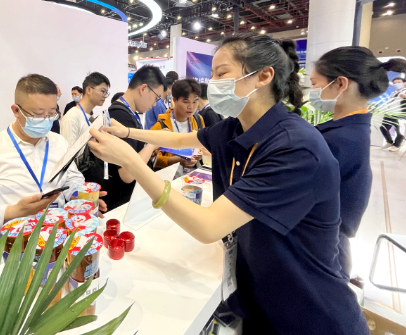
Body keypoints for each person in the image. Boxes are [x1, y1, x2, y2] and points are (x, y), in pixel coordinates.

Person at [88, 35, 369, 335]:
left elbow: (208, 226)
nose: (213, 83)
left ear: (263, 76)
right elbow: (180, 139)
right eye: (212, 75)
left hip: (310, 312)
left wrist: (132, 162)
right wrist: (128, 132)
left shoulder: (295, 148)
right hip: (264, 298)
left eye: (221, 73)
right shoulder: (237, 127)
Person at [0, 74, 104, 260]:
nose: (46, 120)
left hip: (56, 249)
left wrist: (81, 197)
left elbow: (72, 176)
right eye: (38, 114)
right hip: (10, 258)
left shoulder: (59, 142)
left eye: (51, 113)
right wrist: (14, 212)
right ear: (16, 110)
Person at [310, 48, 406, 280]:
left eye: (314, 84)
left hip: (319, 253)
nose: (312, 92)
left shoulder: (336, 140)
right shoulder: (353, 131)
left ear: (340, 83)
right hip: (331, 246)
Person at [103, 65, 166, 211]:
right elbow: (127, 174)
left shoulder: (129, 113)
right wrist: (154, 142)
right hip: (121, 203)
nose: (154, 104)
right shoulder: (121, 116)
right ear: (143, 88)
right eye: (156, 97)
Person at [151, 79, 204, 170]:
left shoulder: (198, 120)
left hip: (192, 174)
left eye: (195, 101)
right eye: (186, 102)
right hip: (169, 176)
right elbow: (151, 159)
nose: (191, 107)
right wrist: (175, 160)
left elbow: (203, 146)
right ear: (174, 100)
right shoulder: (161, 125)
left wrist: (201, 154)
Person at [60, 72, 110, 146]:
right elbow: (68, 151)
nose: (105, 96)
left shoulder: (88, 116)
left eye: (106, 93)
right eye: (103, 91)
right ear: (89, 90)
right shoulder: (72, 117)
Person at [380, 76, 406, 152]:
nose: (397, 84)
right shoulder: (393, 92)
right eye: (395, 83)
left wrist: (404, 96)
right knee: (383, 127)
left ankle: (397, 145)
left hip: (399, 113)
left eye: (399, 82)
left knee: (399, 129)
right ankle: (389, 141)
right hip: (389, 112)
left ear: (404, 83)